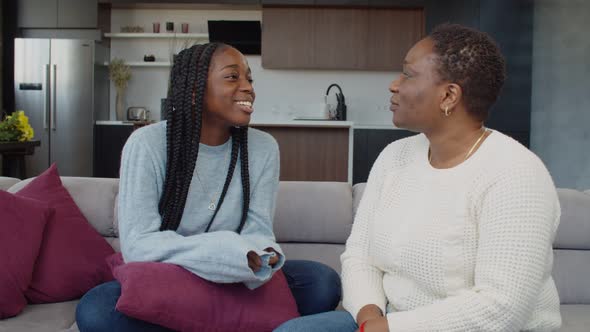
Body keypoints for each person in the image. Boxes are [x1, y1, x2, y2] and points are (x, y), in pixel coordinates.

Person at [275, 23, 561, 332]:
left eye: (408, 74)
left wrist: (386, 329)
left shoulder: (515, 174)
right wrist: (370, 319)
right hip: (387, 320)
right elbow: (360, 256)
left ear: (449, 95)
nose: (394, 85)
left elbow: (501, 309)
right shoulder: (394, 156)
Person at [75, 43, 341, 331]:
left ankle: (197, 318)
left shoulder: (263, 148)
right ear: (194, 90)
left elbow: (258, 231)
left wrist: (264, 253)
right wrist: (226, 253)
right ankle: (226, 317)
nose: (248, 88)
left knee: (322, 282)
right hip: (172, 276)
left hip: (235, 275)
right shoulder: (148, 144)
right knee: (97, 310)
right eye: (232, 77)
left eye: (249, 78)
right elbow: (139, 244)